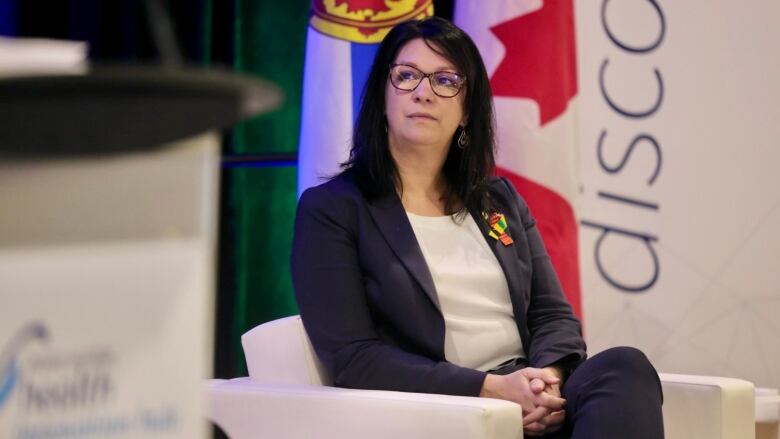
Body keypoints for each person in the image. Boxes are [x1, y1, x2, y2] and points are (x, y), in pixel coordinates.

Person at [291, 16, 664, 438]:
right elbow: (353, 356)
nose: (423, 92)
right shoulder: (333, 210)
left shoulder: (497, 200)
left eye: (445, 80)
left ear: (467, 111)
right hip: (443, 409)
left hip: (528, 395)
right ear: (382, 95)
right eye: (407, 75)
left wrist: (544, 381)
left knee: (623, 367)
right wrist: (490, 390)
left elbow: (552, 314)